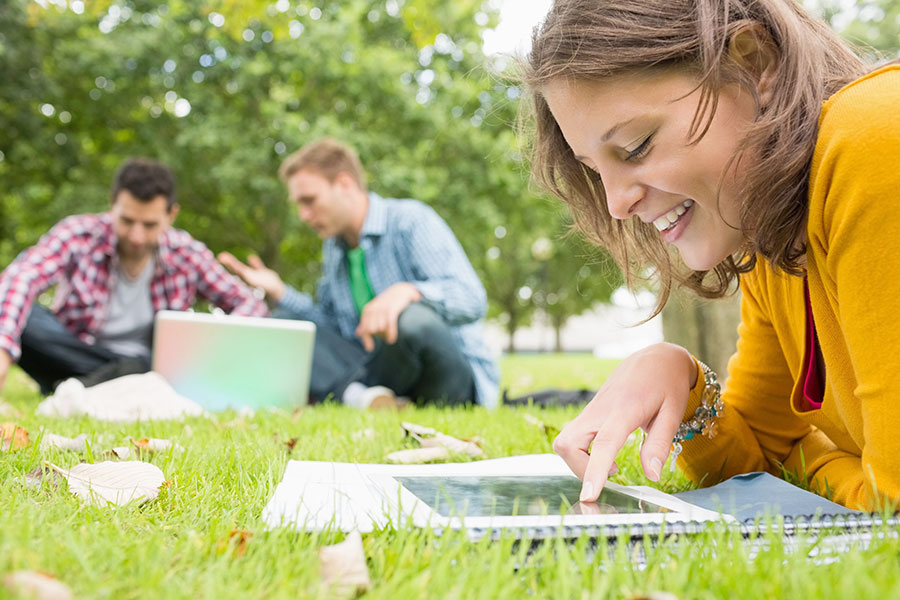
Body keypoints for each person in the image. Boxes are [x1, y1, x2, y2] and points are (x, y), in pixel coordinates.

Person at [523, 0, 900, 510]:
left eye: (636, 147)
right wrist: (683, 382)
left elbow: (891, 500)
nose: (617, 205)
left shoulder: (876, 137)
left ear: (754, 64)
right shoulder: (774, 240)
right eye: (594, 170)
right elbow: (762, 461)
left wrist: (827, 465)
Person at [219, 138, 499, 408]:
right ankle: (372, 401)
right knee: (284, 323)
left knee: (412, 320)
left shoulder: (411, 221)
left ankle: (364, 398)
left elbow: (472, 299)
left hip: (445, 377)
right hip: (382, 371)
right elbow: (327, 326)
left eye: (310, 200)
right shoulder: (334, 249)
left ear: (345, 184)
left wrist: (409, 292)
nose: (303, 215)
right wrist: (279, 291)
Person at [0, 158, 268, 395]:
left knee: (145, 365)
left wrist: (210, 346)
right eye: (127, 221)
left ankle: (77, 386)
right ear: (112, 204)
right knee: (30, 319)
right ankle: (97, 383)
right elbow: (23, 276)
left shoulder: (187, 253)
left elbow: (251, 303)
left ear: (171, 215)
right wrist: (2, 348)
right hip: (76, 352)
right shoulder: (79, 233)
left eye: (149, 225)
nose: (136, 236)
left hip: (149, 365)